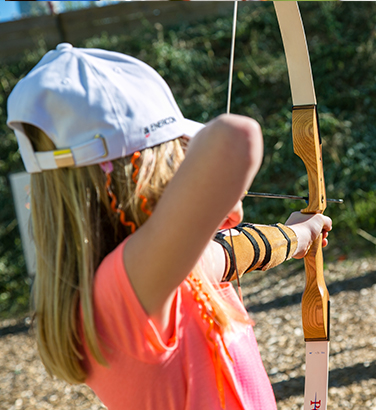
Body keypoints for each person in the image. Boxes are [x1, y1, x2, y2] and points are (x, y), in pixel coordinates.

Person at [7, 43, 332, 410]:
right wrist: (220, 195)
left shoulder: (154, 279)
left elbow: (231, 251)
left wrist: (300, 234)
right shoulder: (121, 294)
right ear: (141, 167)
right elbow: (236, 137)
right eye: (174, 148)